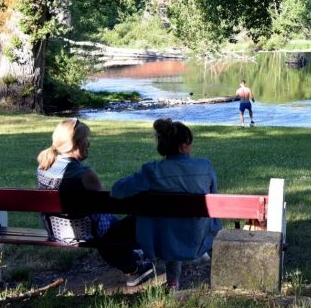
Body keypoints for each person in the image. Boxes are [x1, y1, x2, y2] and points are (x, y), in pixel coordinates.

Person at [36, 118, 155, 287]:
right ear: (76, 143)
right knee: (139, 215)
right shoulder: (84, 174)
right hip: (85, 232)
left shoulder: (43, 167)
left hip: (56, 230)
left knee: (108, 225)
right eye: (86, 139)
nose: (89, 143)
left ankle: (131, 258)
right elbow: (108, 204)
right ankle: (133, 269)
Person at [111, 118, 222, 290]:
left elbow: (117, 191)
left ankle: (172, 282)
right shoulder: (204, 167)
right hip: (198, 235)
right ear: (183, 146)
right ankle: (191, 274)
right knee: (179, 223)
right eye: (190, 143)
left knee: (168, 224)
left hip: (164, 240)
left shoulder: (152, 171)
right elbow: (214, 199)